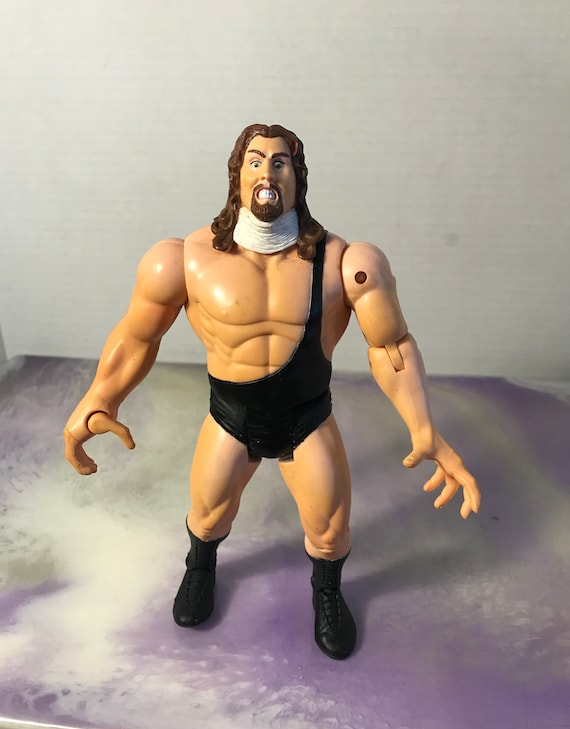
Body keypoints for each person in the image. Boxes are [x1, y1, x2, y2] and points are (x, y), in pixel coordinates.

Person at [64, 123, 480, 660]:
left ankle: (327, 592)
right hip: (230, 415)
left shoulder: (347, 264)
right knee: (208, 518)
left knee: (330, 532)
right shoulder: (185, 259)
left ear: (297, 177)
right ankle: (200, 568)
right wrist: (101, 396)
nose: (267, 172)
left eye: (280, 162)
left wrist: (423, 426)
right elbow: (138, 335)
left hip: (306, 418)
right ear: (237, 175)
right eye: (256, 161)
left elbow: (390, 346)